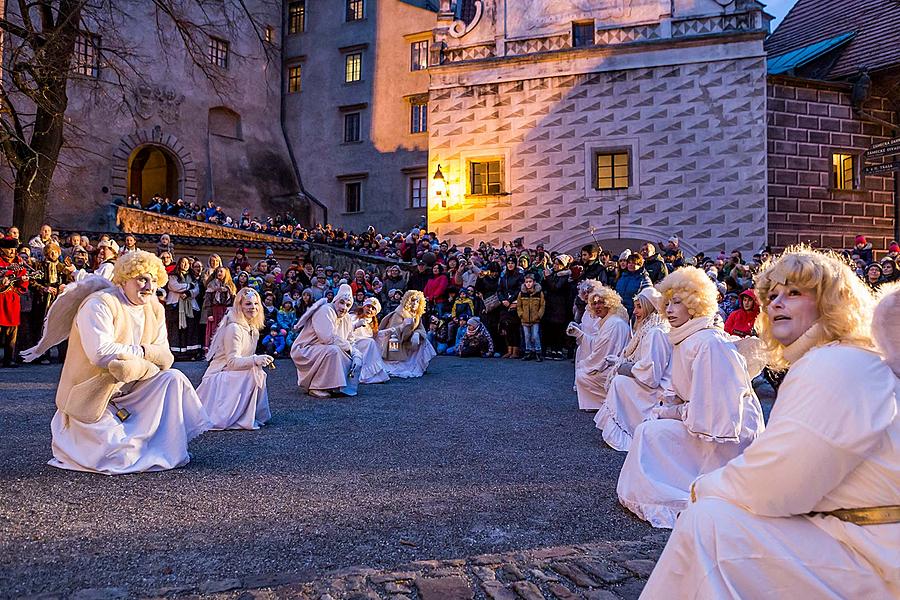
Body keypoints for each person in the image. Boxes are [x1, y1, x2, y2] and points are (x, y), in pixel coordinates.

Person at [642, 247, 899, 598]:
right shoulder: (841, 357)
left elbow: (781, 479)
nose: (777, 302)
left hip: (876, 554)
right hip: (867, 537)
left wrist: (703, 487)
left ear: (830, 303)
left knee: (710, 523)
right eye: (772, 295)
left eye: (794, 293)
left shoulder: (835, 363)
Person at [22, 251, 210, 474]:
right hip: (94, 394)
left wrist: (137, 364)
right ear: (124, 279)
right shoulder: (99, 303)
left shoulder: (155, 308)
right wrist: (146, 356)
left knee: (174, 378)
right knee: (119, 456)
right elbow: (101, 353)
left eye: (153, 279)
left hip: (135, 386)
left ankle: (167, 443)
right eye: (141, 278)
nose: (149, 286)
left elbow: (164, 355)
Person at [616, 266, 764, 528]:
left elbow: (711, 413)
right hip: (703, 420)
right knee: (648, 430)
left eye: (678, 303)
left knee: (649, 434)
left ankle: (675, 494)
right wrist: (667, 407)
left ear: (695, 305)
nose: (670, 310)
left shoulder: (707, 343)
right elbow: (683, 391)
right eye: (668, 302)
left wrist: (670, 412)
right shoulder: (686, 338)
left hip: (726, 434)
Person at [594, 286, 672, 451]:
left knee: (619, 382)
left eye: (639, 307)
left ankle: (628, 432)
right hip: (648, 380)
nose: (635, 311)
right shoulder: (646, 330)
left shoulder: (655, 332)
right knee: (617, 380)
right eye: (635, 306)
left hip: (657, 389)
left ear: (650, 308)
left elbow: (652, 374)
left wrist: (624, 367)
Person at [197, 287, 273, 430]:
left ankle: (245, 414)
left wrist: (256, 361)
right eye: (248, 304)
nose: (253, 307)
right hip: (219, 375)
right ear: (240, 306)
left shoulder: (253, 329)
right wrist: (256, 360)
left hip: (232, 372)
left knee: (257, 372)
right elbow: (232, 362)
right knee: (253, 372)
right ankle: (231, 415)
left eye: (256, 304)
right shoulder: (234, 328)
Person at [290, 283, 358, 397]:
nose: (344, 308)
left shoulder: (346, 318)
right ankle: (316, 386)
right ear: (335, 300)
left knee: (348, 355)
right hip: (305, 349)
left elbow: (350, 339)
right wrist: (349, 348)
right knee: (333, 351)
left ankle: (334, 386)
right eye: (341, 302)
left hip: (322, 348)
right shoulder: (325, 310)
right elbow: (327, 338)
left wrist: (355, 353)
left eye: (348, 305)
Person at [570, 287, 631, 410]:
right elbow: (598, 344)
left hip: (613, 367)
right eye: (594, 303)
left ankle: (606, 403)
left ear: (609, 303)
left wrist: (586, 364)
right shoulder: (608, 321)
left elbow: (602, 353)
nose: (597, 306)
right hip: (610, 364)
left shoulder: (613, 323)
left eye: (601, 302)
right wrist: (579, 334)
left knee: (582, 374)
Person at [380, 290, 436, 378]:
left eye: (417, 301)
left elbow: (421, 330)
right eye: (412, 300)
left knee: (424, 341)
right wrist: (404, 326)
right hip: (396, 344)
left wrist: (417, 334)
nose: (415, 303)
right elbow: (393, 331)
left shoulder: (417, 315)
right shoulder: (399, 314)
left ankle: (419, 365)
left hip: (409, 340)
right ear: (407, 301)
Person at [164, 257, 202, 359]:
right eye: (183, 262)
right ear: (179, 264)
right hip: (175, 306)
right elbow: (174, 286)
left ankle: (190, 352)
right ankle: (176, 353)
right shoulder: (173, 276)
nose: (185, 265)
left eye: (187, 263)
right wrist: (189, 286)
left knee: (189, 330)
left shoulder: (193, 277)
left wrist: (188, 293)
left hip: (190, 307)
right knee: (176, 329)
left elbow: (197, 290)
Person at [0, 238, 29, 367]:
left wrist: (23, 280)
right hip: (0, 299)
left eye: (14, 249)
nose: (12, 251)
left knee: (12, 331)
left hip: (12, 299)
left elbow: (23, 283)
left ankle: (9, 358)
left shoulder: (19, 262)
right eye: (9, 249)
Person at [349, 297, 389, 384]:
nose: (370, 309)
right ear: (364, 307)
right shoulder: (353, 317)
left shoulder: (372, 324)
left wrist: (387, 332)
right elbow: (345, 330)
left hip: (366, 346)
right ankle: (362, 374)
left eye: (373, 308)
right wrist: (356, 325)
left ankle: (372, 374)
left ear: (375, 313)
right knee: (370, 343)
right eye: (368, 306)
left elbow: (375, 336)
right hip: (353, 343)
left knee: (371, 343)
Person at [516, 272, 545, 361]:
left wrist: (539, 315)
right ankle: (528, 351)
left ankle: (538, 351)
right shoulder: (522, 293)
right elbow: (519, 305)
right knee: (527, 336)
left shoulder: (539, 293)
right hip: (524, 319)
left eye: (530, 281)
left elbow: (542, 305)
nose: (528, 283)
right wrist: (521, 314)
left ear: (534, 282)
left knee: (535, 335)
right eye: (527, 282)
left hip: (535, 318)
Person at [615, 253, 652, 318]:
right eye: (629, 263)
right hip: (619, 310)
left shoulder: (644, 278)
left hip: (634, 313)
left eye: (634, 263)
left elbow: (648, 297)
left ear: (640, 265)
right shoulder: (623, 276)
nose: (630, 265)